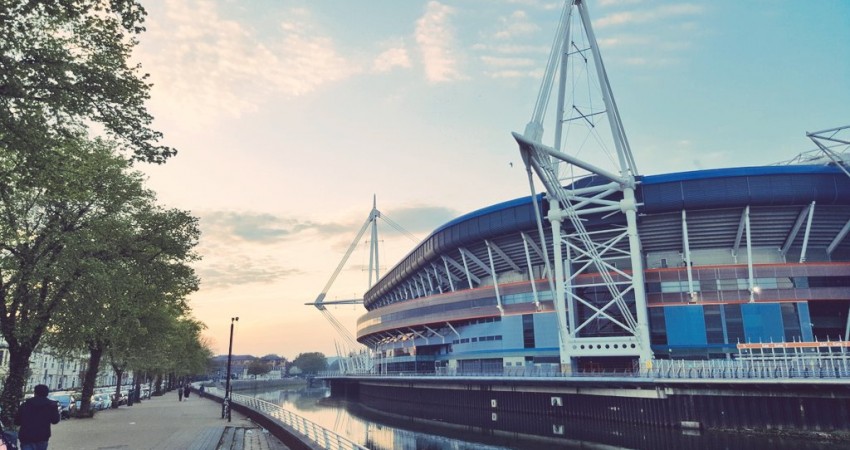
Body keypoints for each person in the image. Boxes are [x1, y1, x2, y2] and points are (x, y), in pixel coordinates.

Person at [15, 384, 60, 450]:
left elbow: (17, 421)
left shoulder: (25, 405)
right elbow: (55, 420)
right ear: (47, 393)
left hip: (26, 436)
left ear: (35, 393)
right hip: (42, 436)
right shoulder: (51, 406)